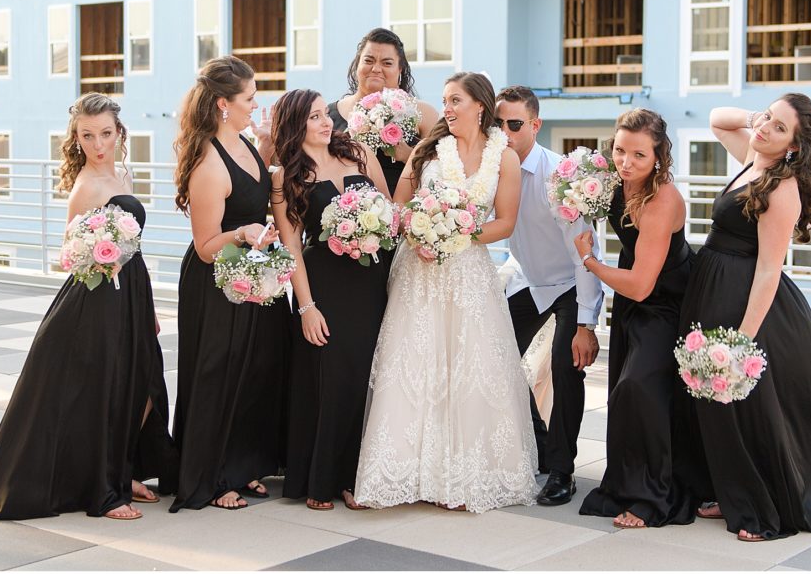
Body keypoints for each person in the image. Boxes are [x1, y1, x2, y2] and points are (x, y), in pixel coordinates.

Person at [681, 95, 811, 541]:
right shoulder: (753, 159)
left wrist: (742, 340)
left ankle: (760, 506)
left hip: (744, 297)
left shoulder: (781, 187)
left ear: (793, 147)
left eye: (778, 128)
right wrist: (757, 118)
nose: (764, 129)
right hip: (713, 286)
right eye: (768, 118)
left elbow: (768, 269)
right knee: (715, 402)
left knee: (744, 404)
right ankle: (730, 489)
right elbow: (719, 120)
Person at [0, 94, 173, 520]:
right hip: (97, 297)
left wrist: (145, 306)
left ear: (119, 134)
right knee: (106, 390)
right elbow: (71, 253)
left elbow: (133, 246)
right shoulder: (85, 188)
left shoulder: (123, 174)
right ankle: (106, 490)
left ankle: (123, 470)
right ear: (76, 139)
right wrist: (100, 254)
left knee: (144, 384)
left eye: (106, 134)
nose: (98, 144)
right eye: (88, 136)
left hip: (132, 288)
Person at [354, 72, 540, 514]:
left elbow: (505, 222)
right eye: (444, 100)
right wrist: (419, 234)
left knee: (470, 368)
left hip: (470, 274)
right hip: (419, 272)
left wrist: (457, 234)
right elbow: (399, 208)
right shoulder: (426, 149)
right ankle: (401, 472)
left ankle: (462, 476)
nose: (448, 108)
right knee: (413, 367)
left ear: (480, 105)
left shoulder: (505, 158)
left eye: (455, 100)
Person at [574, 108, 700, 528]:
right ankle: (627, 483)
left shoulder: (664, 200)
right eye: (619, 151)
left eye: (639, 156)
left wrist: (590, 261)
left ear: (659, 157)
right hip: (631, 296)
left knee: (639, 387)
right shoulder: (611, 181)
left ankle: (652, 497)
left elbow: (644, 284)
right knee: (623, 392)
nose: (626, 163)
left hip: (667, 301)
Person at [169, 56, 283, 512]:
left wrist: (270, 145)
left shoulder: (245, 143)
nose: (256, 106)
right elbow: (204, 245)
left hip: (250, 276)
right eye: (250, 99)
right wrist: (241, 234)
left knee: (252, 372)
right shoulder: (208, 164)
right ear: (222, 104)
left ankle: (240, 466)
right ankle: (210, 477)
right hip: (214, 284)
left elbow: (259, 193)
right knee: (217, 376)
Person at [270, 88, 392, 511]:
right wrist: (307, 307)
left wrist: (371, 227)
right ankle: (323, 478)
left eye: (326, 114)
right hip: (325, 285)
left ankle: (359, 477)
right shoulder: (288, 176)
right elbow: (290, 247)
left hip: (371, 281)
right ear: (295, 125)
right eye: (314, 117)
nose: (326, 123)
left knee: (366, 378)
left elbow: (390, 210)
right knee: (333, 379)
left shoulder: (356, 152)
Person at [495, 85, 604, 506]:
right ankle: (539, 445)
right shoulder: (493, 171)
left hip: (572, 283)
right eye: (498, 124)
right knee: (494, 350)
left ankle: (562, 471)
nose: (504, 133)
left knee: (565, 366)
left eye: (515, 124)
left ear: (535, 126)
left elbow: (585, 255)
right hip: (528, 279)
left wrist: (586, 325)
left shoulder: (562, 178)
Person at [325, 28, 440, 195]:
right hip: (344, 212)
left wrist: (410, 155)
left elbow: (445, 171)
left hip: (406, 212)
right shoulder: (328, 116)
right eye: (369, 60)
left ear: (400, 69)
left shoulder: (424, 113)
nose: (376, 69)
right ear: (358, 64)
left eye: (387, 63)